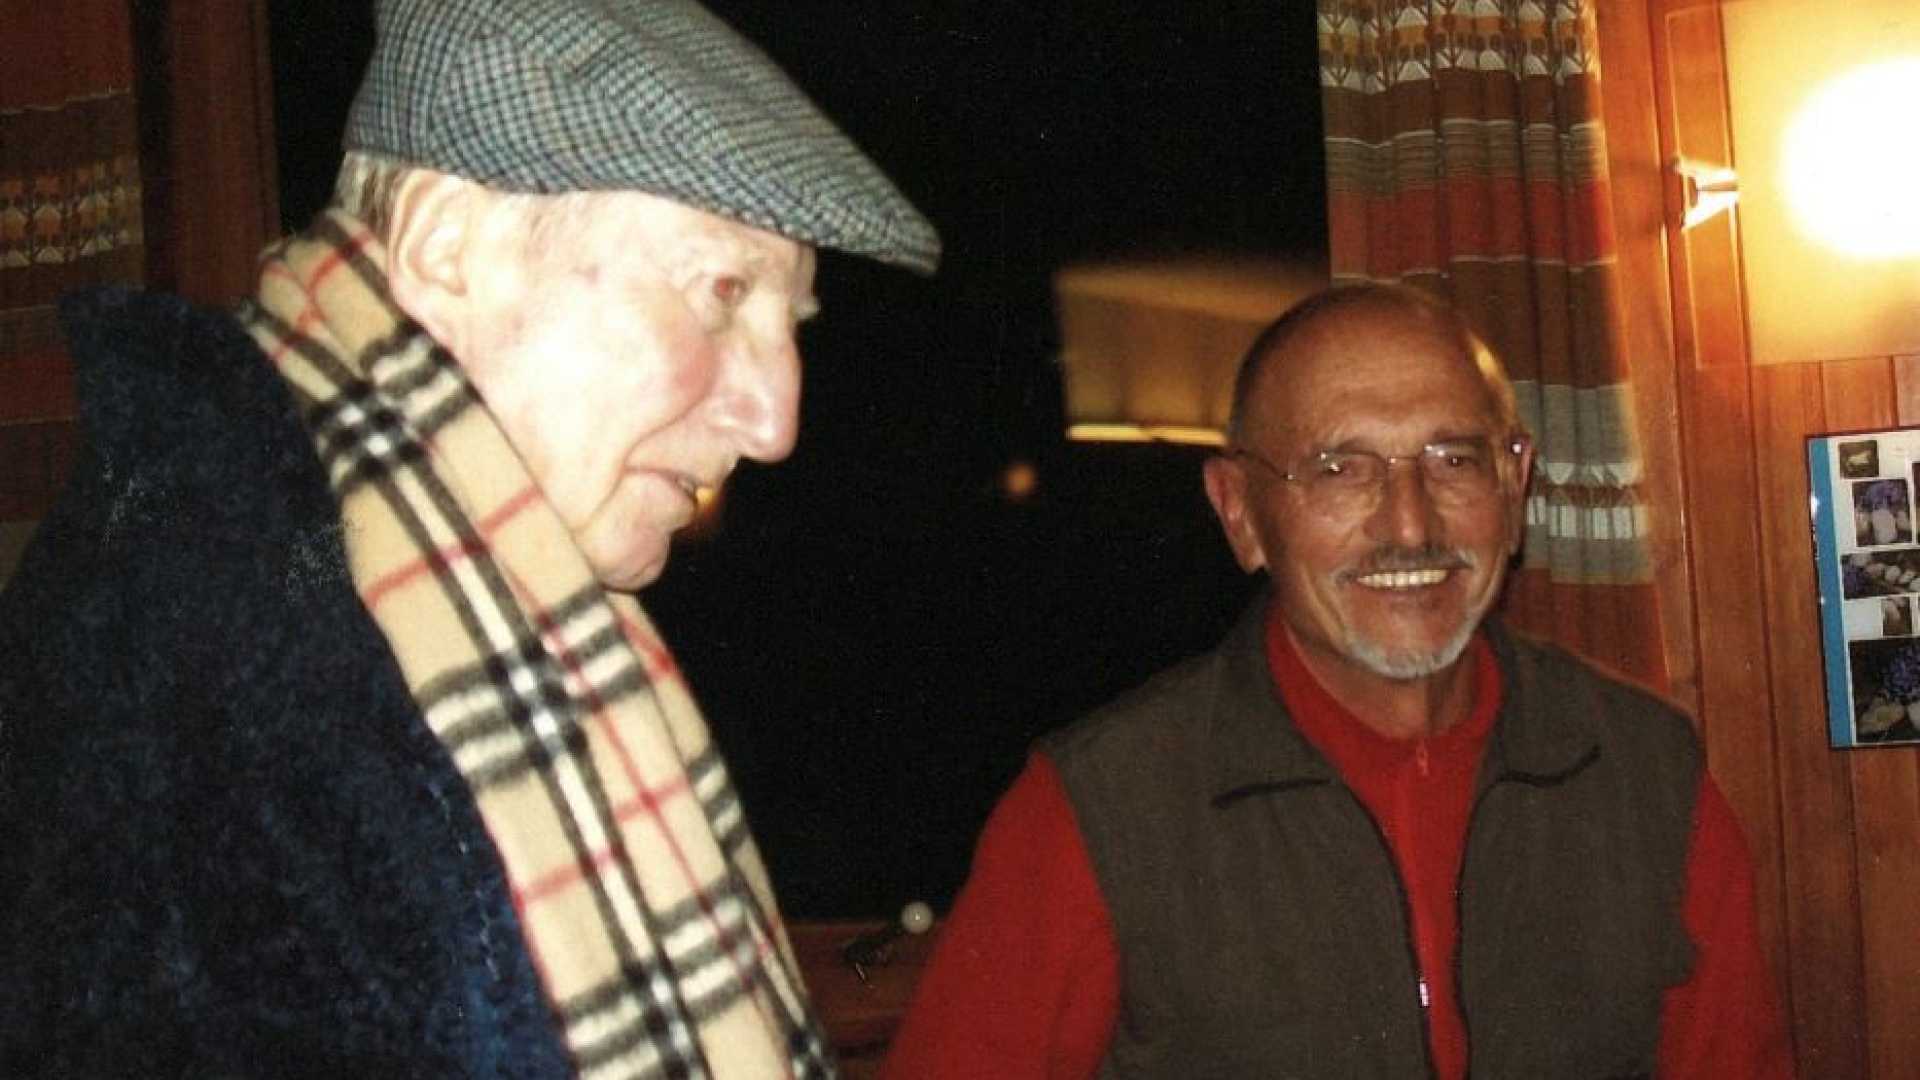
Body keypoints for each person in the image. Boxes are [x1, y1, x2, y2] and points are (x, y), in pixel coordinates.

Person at [0, 0, 936, 1075]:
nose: (776, 421)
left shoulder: (358, 578)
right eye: (720, 292)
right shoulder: (227, 677)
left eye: (790, 325)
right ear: (448, 245)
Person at [883, 284, 1793, 1078]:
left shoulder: (1644, 773)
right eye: (1339, 470)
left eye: (1453, 459)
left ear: (1515, 486)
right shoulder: (1102, 811)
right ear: (1240, 513)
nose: (1409, 526)